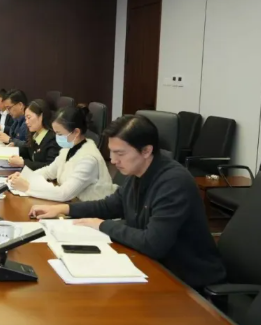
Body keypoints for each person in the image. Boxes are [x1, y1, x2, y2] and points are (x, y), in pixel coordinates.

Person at [29, 115, 226, 289]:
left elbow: (153, 243)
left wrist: (102, 225)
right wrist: (64, 208)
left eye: (120, 153)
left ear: (146, 151)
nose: (113, 160)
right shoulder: (137, 173)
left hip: (185, 280)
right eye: (111, 152)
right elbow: (111, 205)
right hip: (153, 265)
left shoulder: (174, 183)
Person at [8, 105, 115, 202]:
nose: (56, 137)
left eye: (59, 134)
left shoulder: (89, 158)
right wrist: (25, 177)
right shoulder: (68, 148)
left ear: (76, 132)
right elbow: (49, 171)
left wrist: (27, 187)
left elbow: (64, 194)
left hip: (90, 210)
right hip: (74, 202)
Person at [7, 99, 60, 170]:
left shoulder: (53, 139)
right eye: (25, 119)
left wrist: (23, 163)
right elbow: (28, 151)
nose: (26, 122)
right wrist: (14, 150)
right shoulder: (34, 133)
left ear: (41, 116)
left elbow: (50, 167)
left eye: (29, 118)